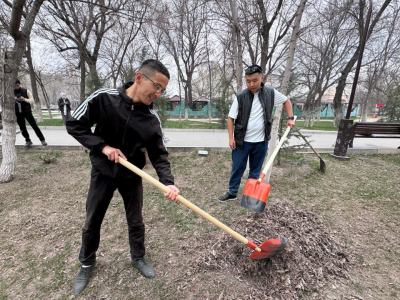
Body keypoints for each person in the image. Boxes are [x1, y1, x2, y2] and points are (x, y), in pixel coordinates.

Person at [66, 59, 180, 296]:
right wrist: (103, 146)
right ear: (139, 78)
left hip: (131, 175)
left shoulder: (150, 118)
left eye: (163, 90)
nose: (158, 94)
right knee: (93, 219)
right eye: (157, 87)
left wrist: (168, 182)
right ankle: (87, 263)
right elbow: (74, 124)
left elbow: (159, 154)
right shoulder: (104, 98)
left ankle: (138, 257)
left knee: (136, 220)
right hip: (103, 172)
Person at [218, 65, 295, 202]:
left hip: (261, 141)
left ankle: (250, 196)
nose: (251, 84)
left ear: (261, 78)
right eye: (248, 81)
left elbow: (286, 101)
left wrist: (290, 118)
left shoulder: (270, 93)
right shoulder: (241, 96)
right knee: (237, 168)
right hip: (242, 141)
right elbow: (230, 118)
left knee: (255, 170)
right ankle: (232, 192)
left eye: (254, 80)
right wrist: (231, 138)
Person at [14, 79, 47, 147]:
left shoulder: (26, 91)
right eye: (14, 86)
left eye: (17, 85)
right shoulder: (11, 92)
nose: (16, 87)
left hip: (27, 111)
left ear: (19, 84)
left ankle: (42, 139)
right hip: (18, 112)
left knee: (34, 126)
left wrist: (24, 99)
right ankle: (28, 140)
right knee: (22, 128)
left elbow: (32, 100)